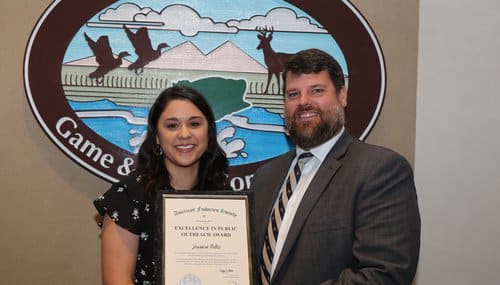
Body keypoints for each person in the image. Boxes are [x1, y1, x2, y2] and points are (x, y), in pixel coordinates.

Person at [251, 49, 420, 285]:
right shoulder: (265, 178)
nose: (303, 102)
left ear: (342, 96)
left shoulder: (380, 170)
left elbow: (384, 275)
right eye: (292, 94)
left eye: (317, 91)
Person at [93, 85, 229, 284]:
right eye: (172, 125)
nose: (184, 134)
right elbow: (117, 280)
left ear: (208, 133)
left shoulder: (226, 198)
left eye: (194, 124)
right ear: (157, 136)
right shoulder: (129, 196)